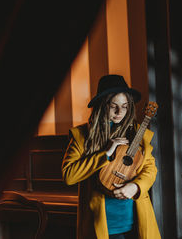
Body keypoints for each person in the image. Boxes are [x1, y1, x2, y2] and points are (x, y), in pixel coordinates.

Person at [62, 74, 161, 239]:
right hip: (104, 226)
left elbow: (150, 170)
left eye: (124, 106)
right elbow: (69, 176)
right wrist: (106, 153)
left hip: (136, 223)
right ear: (102, 105)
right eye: (113, 105)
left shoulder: (137, 134)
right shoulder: (82, 136)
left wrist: (135, 187)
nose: (119, 112)